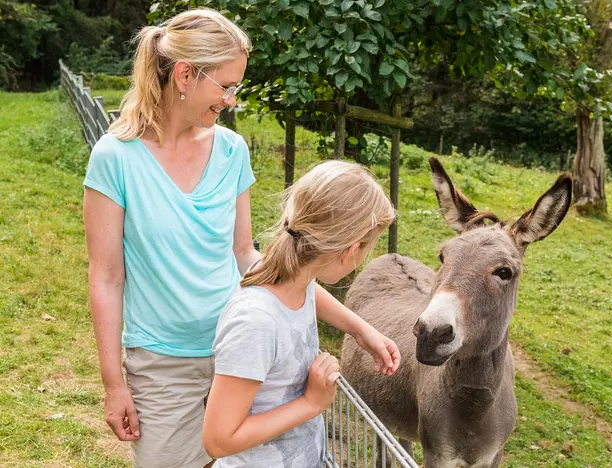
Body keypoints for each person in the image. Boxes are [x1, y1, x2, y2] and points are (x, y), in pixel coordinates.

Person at [83, 8, 400, 468]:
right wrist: (115, 385)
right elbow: (107, 277)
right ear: (186, 75)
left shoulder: (231, 151)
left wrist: (358, 327)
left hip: (242, 355)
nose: (231, 100)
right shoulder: (115, 159)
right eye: (226, 86)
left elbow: (249, 257)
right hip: (164, 366)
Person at [203, 161, 396, 467]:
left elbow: (309, 293)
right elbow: (218, 439)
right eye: (367, 248)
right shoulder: (255, 323)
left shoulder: (294, 277)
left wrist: (360, 329)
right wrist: (311, 403)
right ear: (350, 249)